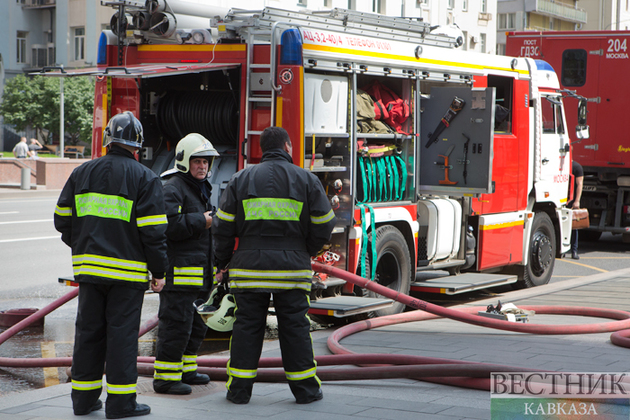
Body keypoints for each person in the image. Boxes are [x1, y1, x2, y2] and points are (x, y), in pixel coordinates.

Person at [54, 111, 168, 419]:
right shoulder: (146, 178)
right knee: (122, 336)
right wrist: (159, 272)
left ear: (108, 139)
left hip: (89, 272)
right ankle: (120, 404)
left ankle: (83, 401)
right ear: (138, 144)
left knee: (88, 334)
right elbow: (153, 233)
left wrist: (83, 247)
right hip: (127, 275)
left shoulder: (82, 172)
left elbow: (62, 220)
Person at [212, 126, 336, 405]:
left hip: (248, 270)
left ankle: (239, 392)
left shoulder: (240, 179)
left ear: (262, 149)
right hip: (292, 270)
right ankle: (305, 391)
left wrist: (222, 262)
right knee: (295, 328)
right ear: (288, 147)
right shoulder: (306, 179)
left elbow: (221, 227)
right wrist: (306, 251)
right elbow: (325, 223)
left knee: (246, 328)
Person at [153, 133, 219, 395]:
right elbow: (165, 226)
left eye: (206, 162)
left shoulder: (198, 188)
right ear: (184, 161)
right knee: (175, 326)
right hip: (179, 277)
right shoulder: (173, 187)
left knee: (196, 326)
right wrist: (199, 221)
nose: (202, 166)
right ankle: (166, 379)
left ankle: (186, 371)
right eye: (197, 161)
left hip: (198, 275)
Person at [568, 160, 584, 259]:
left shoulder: (577, 167)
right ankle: (563, 251)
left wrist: (577, 200)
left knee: (574, 227)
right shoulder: (560, 165)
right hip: (561, 200)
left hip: (572, 201)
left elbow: (579, 184)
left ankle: (574, 251)